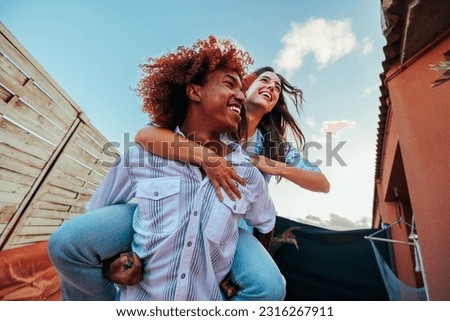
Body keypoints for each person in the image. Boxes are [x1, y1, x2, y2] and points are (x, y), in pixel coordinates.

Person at [48, 36, 286, 301]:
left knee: (272, 286)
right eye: (230, 84)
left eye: (243, 89)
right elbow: (98, 220)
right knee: (64, 243)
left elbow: (265, 222)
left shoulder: (247, 171)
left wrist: (237, 274)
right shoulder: (143, 156)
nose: (241, 96)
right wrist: (111, 263)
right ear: (195, 91)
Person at [130, 66, 330, 294]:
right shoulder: (214, 116)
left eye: (277, 88)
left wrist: (276, 166)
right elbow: (145, 135)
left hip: (231, 228)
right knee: (90, 242)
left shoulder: (275, 146)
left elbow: (321, 183)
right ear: (246, 87)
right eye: (265, 81)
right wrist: (207, 158)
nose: (271, 88)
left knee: (273, 287)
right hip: (171, 212)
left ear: (274, 104)